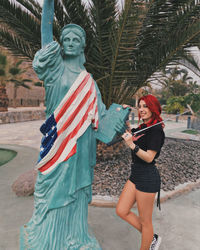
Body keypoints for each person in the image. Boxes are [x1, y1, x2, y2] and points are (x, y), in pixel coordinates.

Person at [19, 0, 125, 249]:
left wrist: (118, 121)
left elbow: (100, 121)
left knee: (76, 194)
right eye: (65, 38)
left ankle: (75, 237)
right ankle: (48, 239)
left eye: (75, 39)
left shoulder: (89, 82)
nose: (69, 42)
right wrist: (48, 4)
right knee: (52, 191)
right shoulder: (54, 69)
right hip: (57, 147)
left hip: (82, 148)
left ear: (82, 46)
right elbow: (46, 34)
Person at [116, 95, 165, 250]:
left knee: (145, 221)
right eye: (140, 106)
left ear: (154, 108)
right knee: (121, 210)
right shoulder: (144, 126)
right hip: (135, 174)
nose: (142, 109)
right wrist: (125, 116)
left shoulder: (156, 131)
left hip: (147, 177)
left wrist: (132, 146)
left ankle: (148, 242)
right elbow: (133, 134)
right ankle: (151, 237)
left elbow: (150, 157)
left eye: (146, 106)